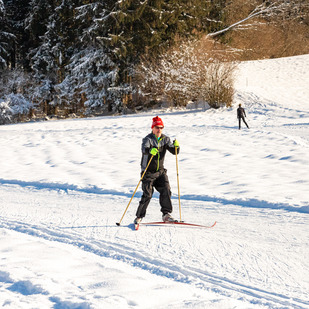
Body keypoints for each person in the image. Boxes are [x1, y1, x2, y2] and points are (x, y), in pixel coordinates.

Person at [134, 116, 180, 224]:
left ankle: (166, 214)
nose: (159, 130)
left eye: (161, 127)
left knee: (166, 190)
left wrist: (176, 147)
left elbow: (174, 152)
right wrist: (150, 150)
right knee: (148, 194)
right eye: (157, 127)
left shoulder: (165, 139)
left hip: (160, 172)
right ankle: (139, 217)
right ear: (153, 128)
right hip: (147, 172)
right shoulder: (147, 139)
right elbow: (144, 150)